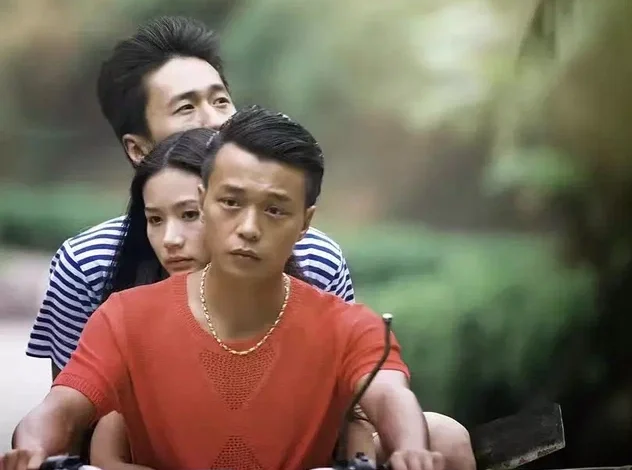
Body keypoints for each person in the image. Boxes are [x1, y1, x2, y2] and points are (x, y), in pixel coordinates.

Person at [5, 106, 447, 470]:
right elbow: (64, 404)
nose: (249, 228)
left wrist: (411, 449)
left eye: (275, 210)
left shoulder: (351, 327)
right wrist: (33, 448)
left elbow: (389, 393)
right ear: (204, 200)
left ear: (304, 223)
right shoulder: (124, 318)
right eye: (231, 202)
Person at [25, 16, 355, 382]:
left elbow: (346, 392)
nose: (216, 122)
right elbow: (76, 403)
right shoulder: (90, 266)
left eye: (220, 100)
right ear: (138, 149)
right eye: (186, 108)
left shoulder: (314, 257)